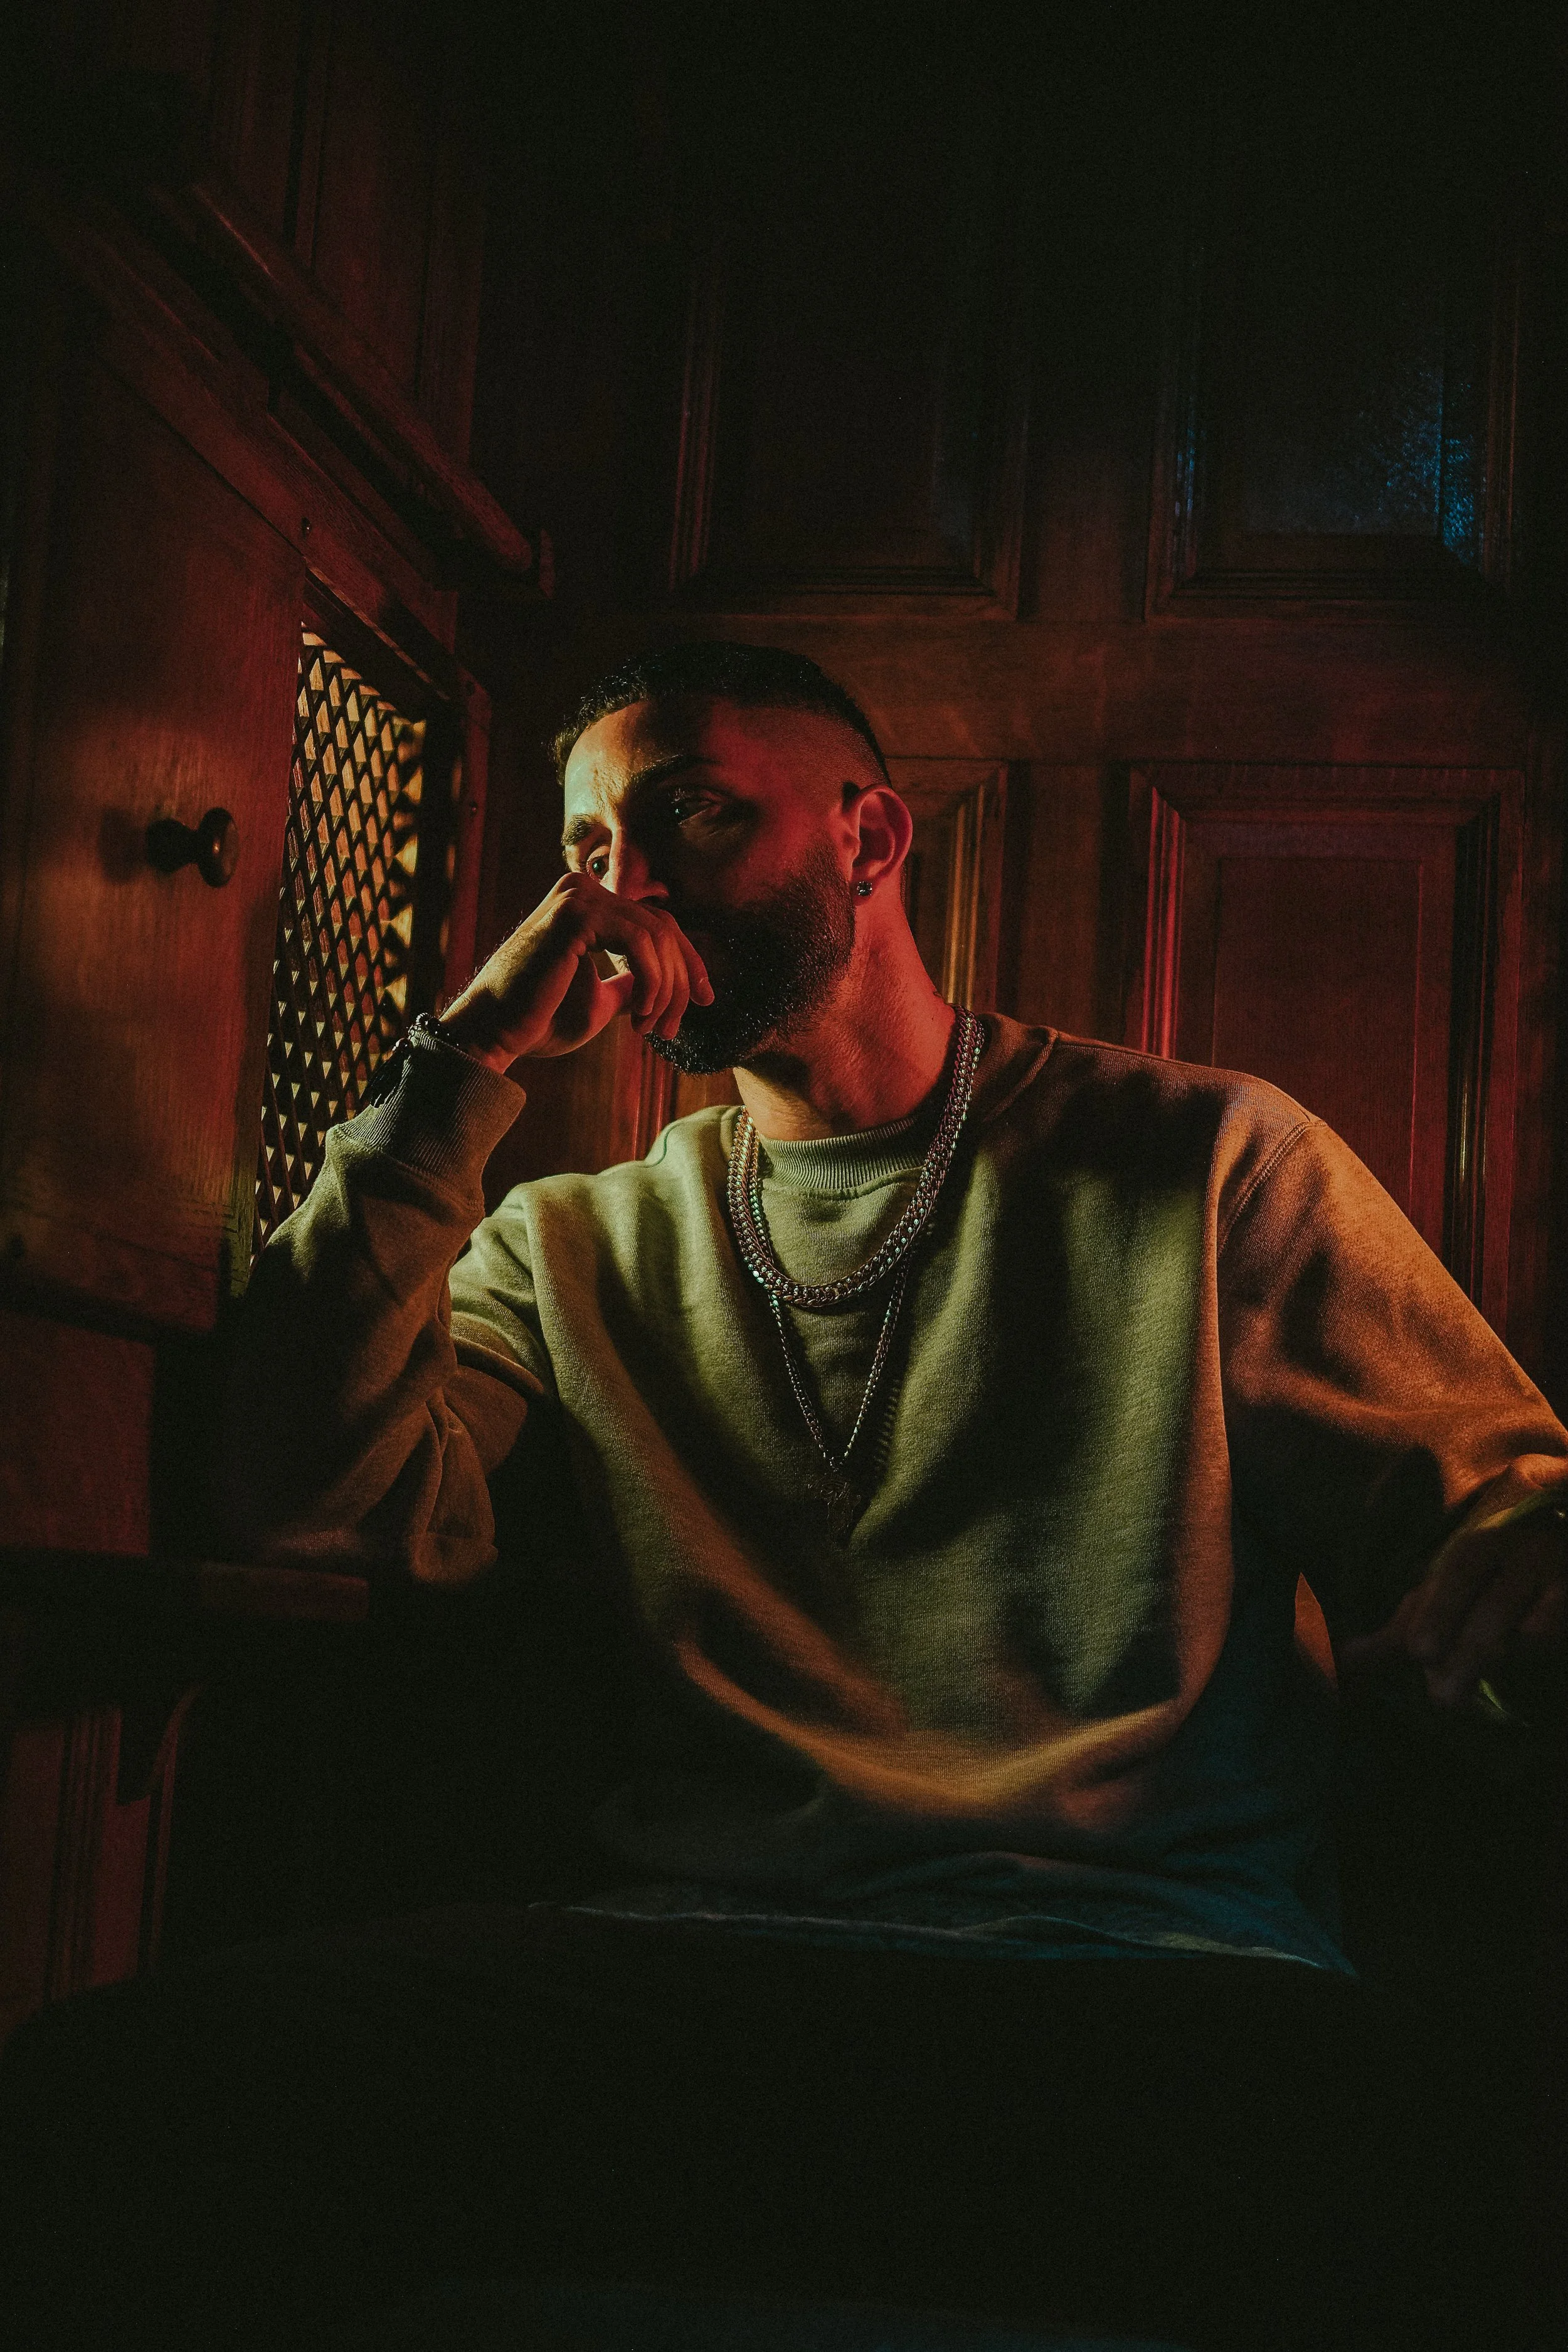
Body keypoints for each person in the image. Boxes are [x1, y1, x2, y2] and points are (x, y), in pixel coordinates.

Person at [2, 642, 1565, 2351]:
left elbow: (1501, 1504)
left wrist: (1522, 1545)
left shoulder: (1207, 1162)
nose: (623, 886)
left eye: (688, 813)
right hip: (696, 1956)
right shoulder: (571, 1241)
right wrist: (462, 1063)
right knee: (114, 2095)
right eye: (587, 847)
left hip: (1137, 1967)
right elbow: (310, 1501)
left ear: (866, 837)